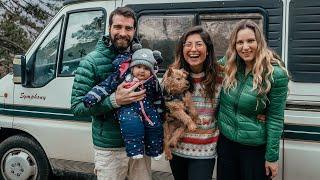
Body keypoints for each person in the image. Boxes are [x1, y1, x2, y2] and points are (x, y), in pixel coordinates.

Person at [71, 7, 152, 180]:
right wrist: (114, 100)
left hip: (140, 145)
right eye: (118, 27)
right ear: (109, 28)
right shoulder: (91, 62)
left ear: (134, 30)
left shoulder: (141, 59)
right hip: (110, 150)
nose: (123, 33)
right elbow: (77, 107)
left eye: (128, 28)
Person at [216, 19, 289, 180]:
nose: (245, 47)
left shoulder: (275, 74)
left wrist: (272, 157)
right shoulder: (229, 64)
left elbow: (275, 118)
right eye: (240, 42)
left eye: (250, 41)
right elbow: (204, 69)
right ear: (234, 45)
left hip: (254, 149)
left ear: (259, 42)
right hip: (226, 144)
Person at [82, 48, 164, 160]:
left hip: (148, 108)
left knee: (155, 126)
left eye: (146, 68)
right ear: (132, 67)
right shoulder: (123, 78)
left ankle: (155, 150)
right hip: (128, 108)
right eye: (138, 67)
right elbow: (106, 85)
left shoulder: (153, 82)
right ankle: (135, 151)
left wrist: (160, 112)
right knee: (132, 125)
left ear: (152, 70)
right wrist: (92, 97)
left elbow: (158, 97)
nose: (142, 71)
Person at [166, 26, 224, 180]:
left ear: (207, 49)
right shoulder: (174, 74)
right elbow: (161, 101)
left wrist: (257, 113)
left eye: (199, 44)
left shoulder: (221, 76)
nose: (193, 49)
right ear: (182, 48)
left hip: (204, 150)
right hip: (177, 146)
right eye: (188, 44)